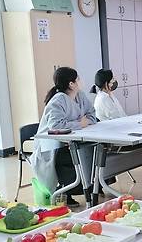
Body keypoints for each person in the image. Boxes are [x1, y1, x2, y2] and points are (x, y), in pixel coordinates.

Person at [30, 67, 97, 207]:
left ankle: (93, 187)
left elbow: (92, 115)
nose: (81, 81)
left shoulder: (81, 96)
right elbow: (55, 126)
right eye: (78, 78)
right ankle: (66, 191)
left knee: (94, 152)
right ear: (71, 84)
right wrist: (80, 123)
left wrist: (81, 123)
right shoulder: (58, 100)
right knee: (79, 157)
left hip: (70, 141)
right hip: (51, 147)